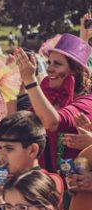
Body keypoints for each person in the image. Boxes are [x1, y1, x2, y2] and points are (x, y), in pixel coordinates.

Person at [15, 34, 92, 172]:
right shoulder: (46, 97)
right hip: (44, 182)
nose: (49, 69)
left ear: (75, 71)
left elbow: (51, 122)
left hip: (74, 187)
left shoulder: (87, 102)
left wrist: (30, 80)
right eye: (49, 62)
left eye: (57, 64)